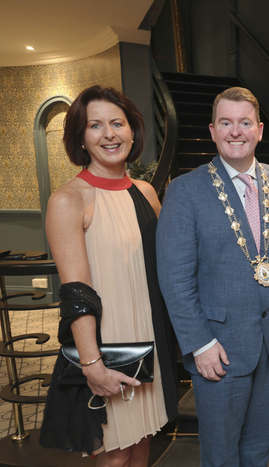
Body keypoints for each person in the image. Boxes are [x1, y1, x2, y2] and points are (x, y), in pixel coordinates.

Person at [156, 86, 269, 467]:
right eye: (226, 123)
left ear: (259, 130)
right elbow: (175, 278)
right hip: (219, 347)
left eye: (244, 123)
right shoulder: (184, 191)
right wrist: (198, 343)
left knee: (259, 445)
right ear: (212, 131)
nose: (235, 131)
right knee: (221, 453)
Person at [40, 85, 179, 464]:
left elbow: (169, 264)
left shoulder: (147, 192)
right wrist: (92, 364)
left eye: (117, 123)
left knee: (144, 441)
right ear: (81, 138)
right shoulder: (69, 199)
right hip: (109, 343)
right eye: (95, 126)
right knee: (115, 453)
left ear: (132, 130)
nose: (109, 134)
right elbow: (76, 292)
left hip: (149, 335)